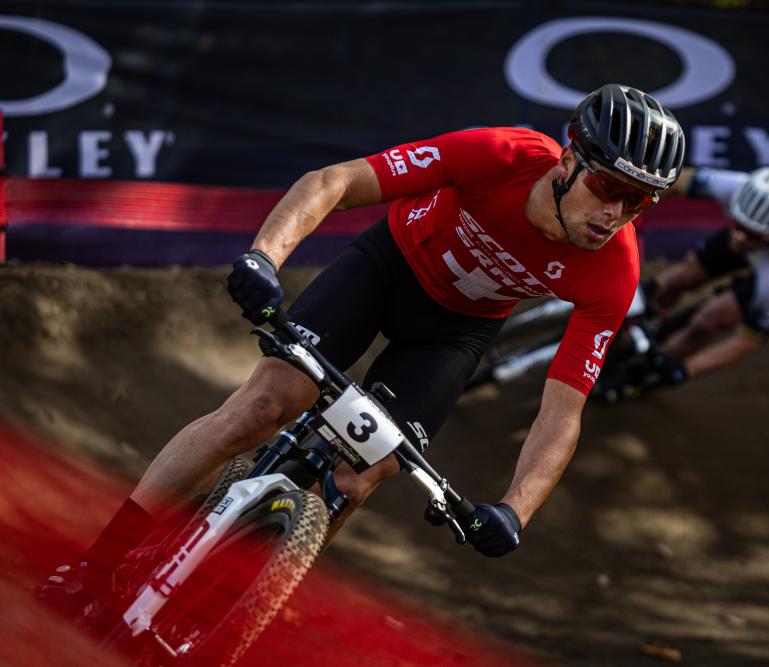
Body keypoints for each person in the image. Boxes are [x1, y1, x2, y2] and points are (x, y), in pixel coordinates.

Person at [36, 83, 686, 612]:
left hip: (454, 332)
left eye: (642, 201)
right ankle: (95, 565)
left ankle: (247, 598)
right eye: (610, 187)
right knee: (262, 406)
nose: (618, 213)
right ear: (569, 161)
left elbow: (562, 411)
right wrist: (264, 258)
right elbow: (335, 181)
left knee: (364, 470)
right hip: (387, 270)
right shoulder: (501, 155)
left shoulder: (615, 268)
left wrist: (516, 510)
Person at [595, 166, 769, 401]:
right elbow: (676, 182)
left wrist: (684, 370)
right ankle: (647, 311)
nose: (739, 239)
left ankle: (648, 367)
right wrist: (623, 216)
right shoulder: (734, 187)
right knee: (684, 276)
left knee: (709, 320)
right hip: (768, 237)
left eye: (750, 233)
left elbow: (747, 340)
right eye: (736, 225)